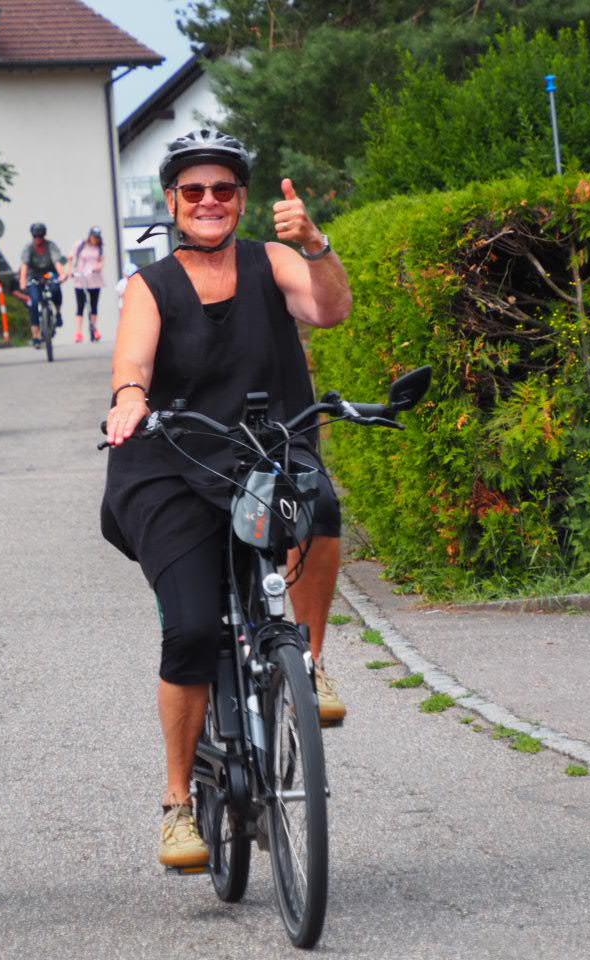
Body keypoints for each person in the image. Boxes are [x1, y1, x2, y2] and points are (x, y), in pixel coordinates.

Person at [100, 129, 353, 868]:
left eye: (222, 189)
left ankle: (308, 662)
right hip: (171, 461)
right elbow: (132, 359)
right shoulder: (152, 285)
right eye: (193, 190)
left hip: (264, 449)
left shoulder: (273, 259)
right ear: (172, 202)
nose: (208, 201)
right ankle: (178, 803)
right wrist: (129, 398)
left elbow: (330, 310)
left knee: (320, 506)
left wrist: (316, 243)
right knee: (189, 632)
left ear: (241, 200)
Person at [17, 223, 67, 347]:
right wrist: (22, 281)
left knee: (55, 288)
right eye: (35, 236)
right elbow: (24, 265)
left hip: (49, 273)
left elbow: (57, 262)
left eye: (40, 236)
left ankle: (58, 313)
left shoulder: (51, 246)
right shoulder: (29, 248)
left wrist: (62, 274)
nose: (38, 239)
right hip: (34, 275)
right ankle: (35, 336)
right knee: (34, 302)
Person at [64, 226, 105, 343]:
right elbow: (70, 257)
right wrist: (69, 271)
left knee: (93, 305)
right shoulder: (80, 245)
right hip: (80, 278)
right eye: (94, 237)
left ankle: (94, 328)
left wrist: (97, 268)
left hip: (94, 278)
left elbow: (101, 261)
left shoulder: (99, 247)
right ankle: (78, 332)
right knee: (80, 305)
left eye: (97, 237)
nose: (95, 239)